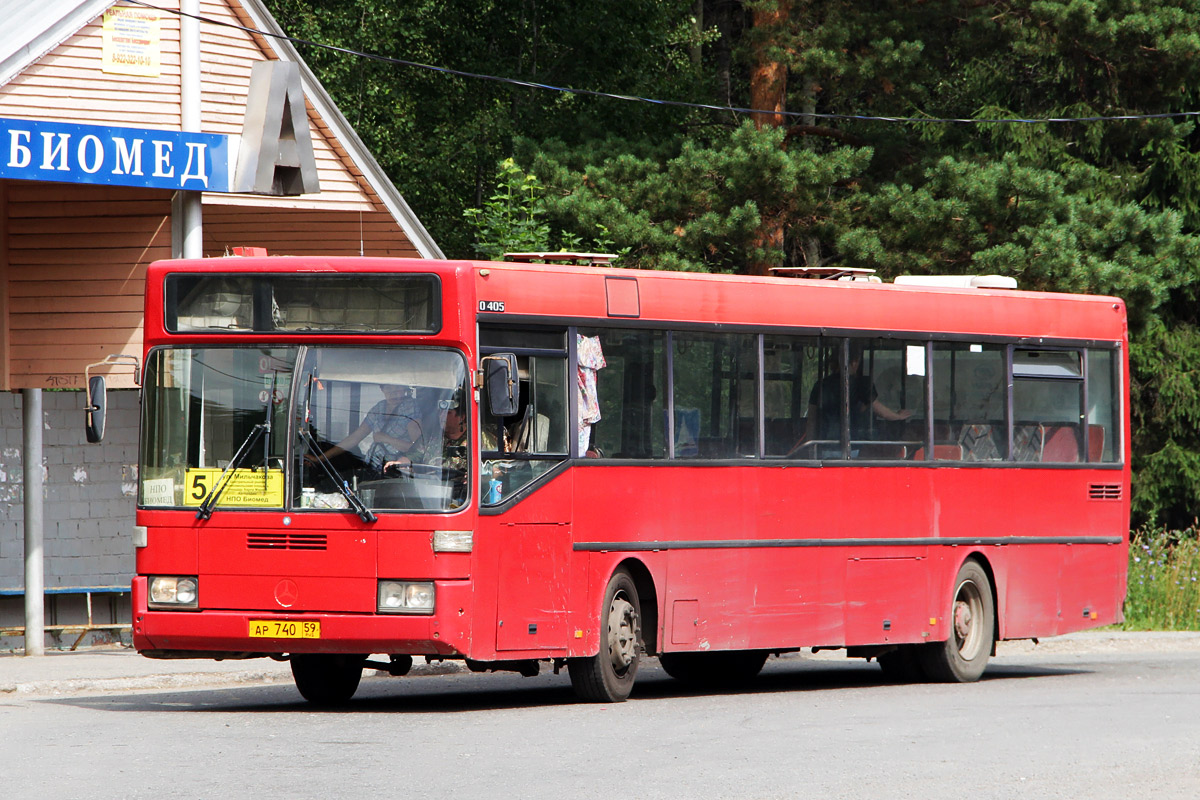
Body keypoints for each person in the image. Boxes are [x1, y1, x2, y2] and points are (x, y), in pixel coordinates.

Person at [791, 345, 912, 456]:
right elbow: (882, 412)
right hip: (853, 447)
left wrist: (811, 448)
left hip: (825, 447)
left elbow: (811, 420)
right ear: (854, 362)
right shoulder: (862, 384)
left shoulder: (820, 385)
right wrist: (898, 416)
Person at [307, 383, 424, 473]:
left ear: (404, 390)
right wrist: (320, 458)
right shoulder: (379, 408)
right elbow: (355, 437)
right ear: (382, 389)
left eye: (398, 389)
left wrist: (386, 439)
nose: (394, 394)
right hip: (373, 467)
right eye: (389, 389)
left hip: (395, 471)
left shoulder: (410, 408)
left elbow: (416, 447)